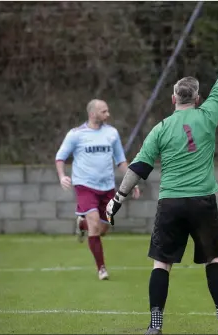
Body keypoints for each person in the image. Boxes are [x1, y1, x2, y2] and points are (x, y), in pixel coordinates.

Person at [105, 18, 218, 335]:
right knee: (214, 261)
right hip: (203, 201)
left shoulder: (161, 129)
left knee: (161, 264)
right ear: (196, 98)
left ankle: (155, 327)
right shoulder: (209, 114)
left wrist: (117, 199)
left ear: (173, 99)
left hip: (171, 204)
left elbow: (138, 168)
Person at [55, 99, 140, 280]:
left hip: (107, 187)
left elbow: (120, 160)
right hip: (85, 186)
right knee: (94, 224)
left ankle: (82, 224)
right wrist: (62, 176)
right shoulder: (76, 134)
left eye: (107, 111)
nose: (108, 115)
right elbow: (60, 157)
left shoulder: (112, 133)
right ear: (92, 113)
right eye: (104, 111)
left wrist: (132, 181)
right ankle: (101, 268)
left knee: (103, 228)